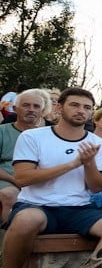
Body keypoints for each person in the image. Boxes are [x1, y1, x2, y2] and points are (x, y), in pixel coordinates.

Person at [1, 88, 102, 268]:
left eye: (87, 107)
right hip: (36, 204)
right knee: (26, 219)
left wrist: (88, 163)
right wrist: (72, 164)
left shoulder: (99, 144)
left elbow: (96, 188)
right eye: (75, 105)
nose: (81, 111)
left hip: (78, 208)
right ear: (59, 107)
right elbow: (22, 178)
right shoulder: (33, 136)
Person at [0, 88, 49, 222]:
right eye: (26, 105)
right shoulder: (2, 132)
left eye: (36, 106)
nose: (31, 109)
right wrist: (14, 180)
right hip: (7, 179)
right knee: (10, 195)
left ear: (42, 111)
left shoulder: (47, 136)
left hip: (38, 181)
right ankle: (8, 238)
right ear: (15, 109)